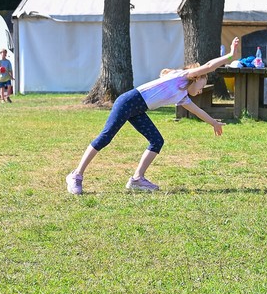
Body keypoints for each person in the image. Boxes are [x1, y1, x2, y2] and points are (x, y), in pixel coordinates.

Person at [65, 37, 240, 195]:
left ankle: (137, 179)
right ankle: (76, 175)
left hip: (138, 109)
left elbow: (198, 111)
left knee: (157, 141)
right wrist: (231, 56)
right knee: (105, 137)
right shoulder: (180, 77)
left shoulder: (182, 96)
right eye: (202, 85)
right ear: (196, 77)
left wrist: (213, 123)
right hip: (128, 101)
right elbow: (209, 66)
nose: (202, 90)